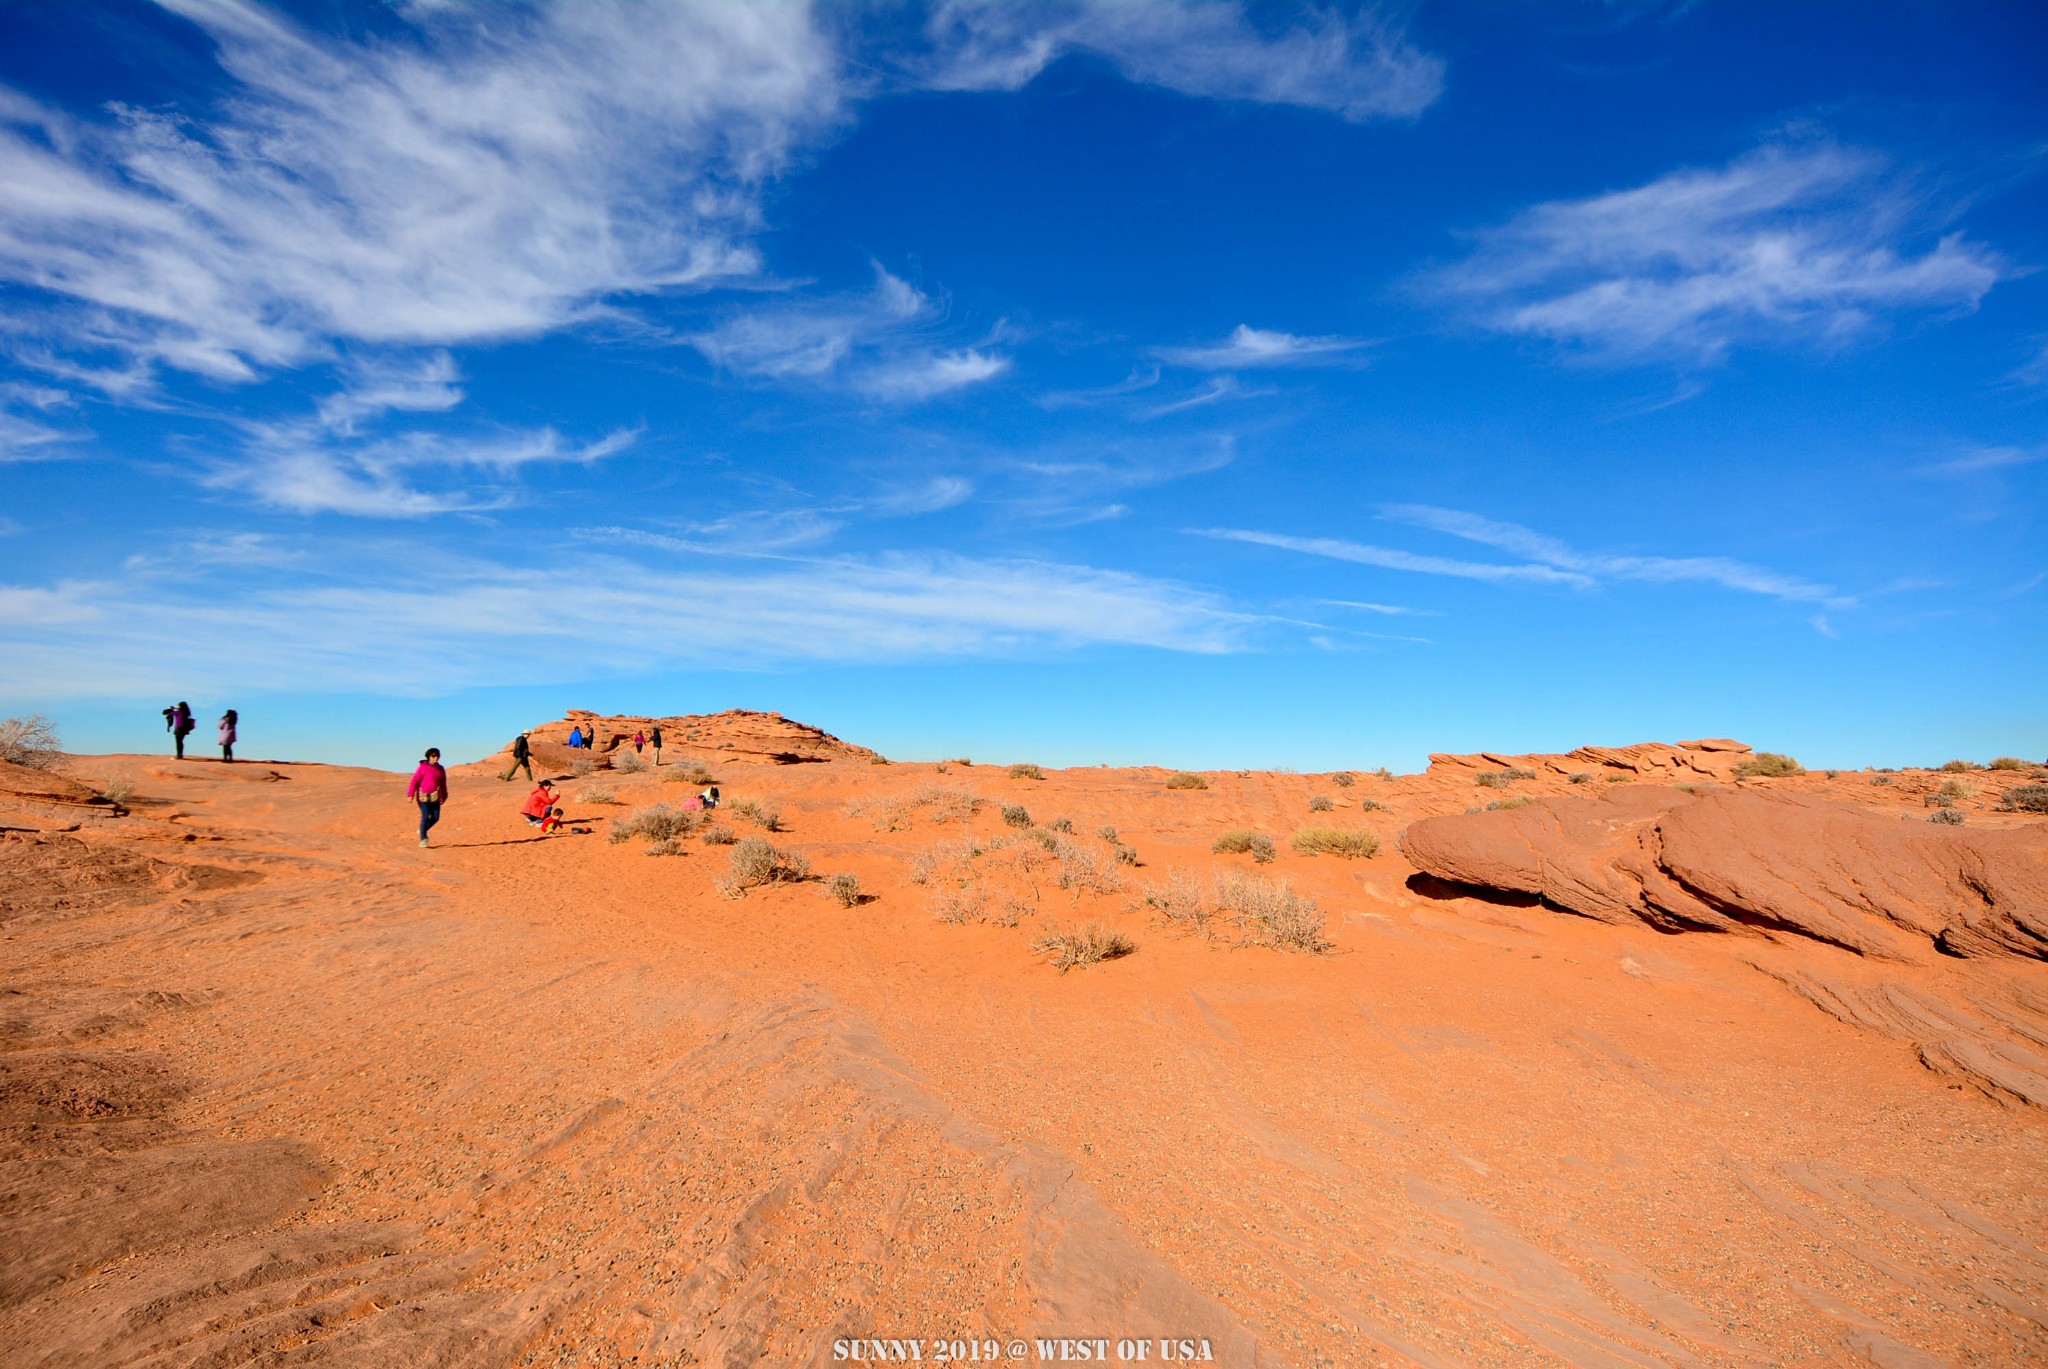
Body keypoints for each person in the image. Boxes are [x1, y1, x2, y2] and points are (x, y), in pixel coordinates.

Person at [408, 747, 448, 848]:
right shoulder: (422, 767)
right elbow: (415, 781)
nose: (436, 758)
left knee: (435, 817)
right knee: (425, 816)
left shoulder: (440, 769)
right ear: (429, 757)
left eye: (437, 756)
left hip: (435, 797)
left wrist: (444, 795)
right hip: (423, 797)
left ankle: (422, 829)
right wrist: (410, 794)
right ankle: (423, 839)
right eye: (433, 756)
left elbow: (443, 783)